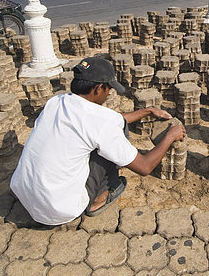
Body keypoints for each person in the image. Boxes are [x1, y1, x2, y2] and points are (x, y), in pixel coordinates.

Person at [10, 57, 186, 226]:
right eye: (109, 89)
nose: (109, 93)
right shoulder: (102, 122)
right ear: (98, 89)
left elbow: (106, 121)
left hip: (24, 193)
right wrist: (170, 136)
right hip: (58, 209)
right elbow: (145, 167)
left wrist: (146, 111)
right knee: (114, 139)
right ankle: (98, 199)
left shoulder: (56, 102)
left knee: (106, 136)